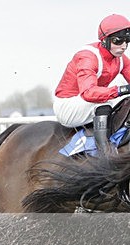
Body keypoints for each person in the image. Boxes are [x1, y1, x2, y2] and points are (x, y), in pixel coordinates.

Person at [54, 14, 130, 155]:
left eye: (127, 41)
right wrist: (123, 89)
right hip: (68, 105)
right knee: (105, 103)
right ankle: (105, 154)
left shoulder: (120, 58)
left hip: (88, 102)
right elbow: (88, 93)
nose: (124, 46)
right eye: (118, 41)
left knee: (124, 101)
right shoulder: (88, 57)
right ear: (104, 40)